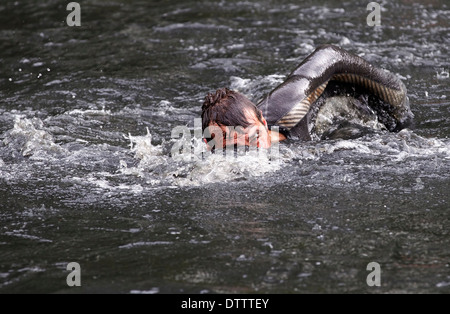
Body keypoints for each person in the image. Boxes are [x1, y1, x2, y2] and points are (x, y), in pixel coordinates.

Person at [201, 44, 413, 150]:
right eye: (235, 147)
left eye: (254, 137)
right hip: (318, 131)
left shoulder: (289, 107)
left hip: (349, 95)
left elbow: (329, 54)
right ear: (210, 145)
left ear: (263, 123)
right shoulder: (211, 151)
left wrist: (395, 98)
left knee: (397, 121)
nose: (250, 151)